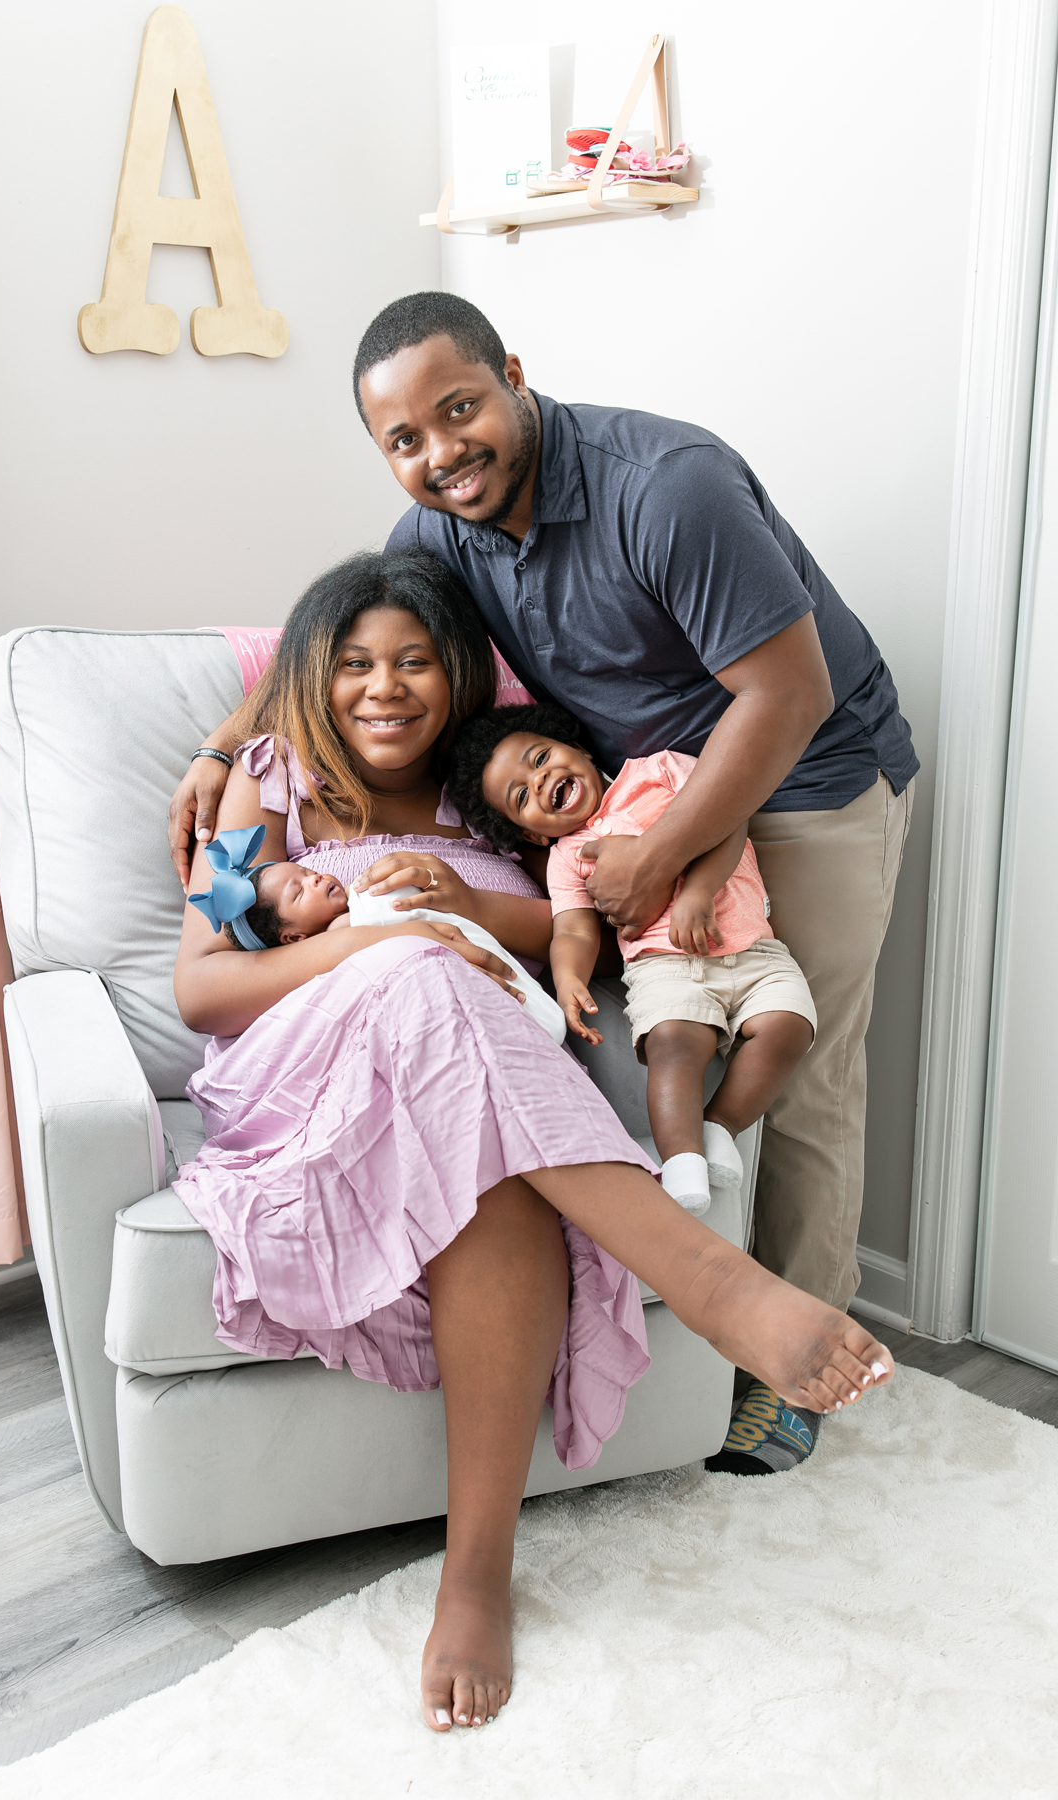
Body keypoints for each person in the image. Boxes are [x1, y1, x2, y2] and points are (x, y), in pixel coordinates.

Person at [168, 293, 916, 1475]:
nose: (438, 453)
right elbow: (331, 647)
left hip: (800, 771)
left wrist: (657, 857)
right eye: (402, 440)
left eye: (458, 410)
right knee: (678, 1034)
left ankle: (789, 1351)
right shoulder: (436, 537)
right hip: (635, 799)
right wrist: (221, 750)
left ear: (512, 374)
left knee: (799, 1046)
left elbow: (789, 696)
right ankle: (715, 1285)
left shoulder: (665, 486)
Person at [172, 547, 895, 1731]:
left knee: (495, 1180)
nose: (383, 688)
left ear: (460, 677)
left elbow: (591, 932)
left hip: (479, 1088)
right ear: (313, 678)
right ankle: (709, 1275)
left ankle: (477, 1572)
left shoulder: (490, 791)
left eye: (414, 662)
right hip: (306, 1073)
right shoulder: (269, 786)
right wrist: (380, 940)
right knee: (418, 976)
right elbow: (203, 986)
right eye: (353, 664)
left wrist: (458, 908)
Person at [445, 703, 816, 1220]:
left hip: (754, 946)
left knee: (791, 1026)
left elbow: (730, 817)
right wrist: (569, 977)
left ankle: (720, 1126)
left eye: (542, 757)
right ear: (529, 833)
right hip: (662, 965)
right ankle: (681, 1159)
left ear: (577, 748)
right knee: (674, 1043)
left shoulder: (660, 769)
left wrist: (698, 892)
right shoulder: (567, 856)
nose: (541, 778)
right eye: (522, 795)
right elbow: (572, 927)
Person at [186, 825, 568, 1044]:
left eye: (305, 872)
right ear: (293, 938)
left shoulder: (358, 899)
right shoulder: (339, 933)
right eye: (300, 892)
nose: (315, 877)